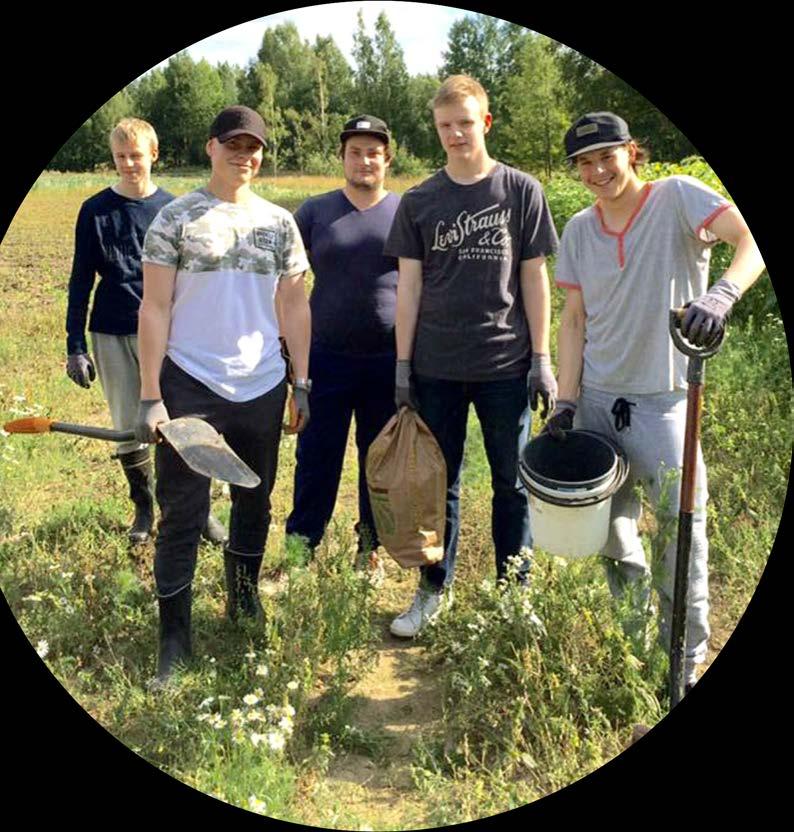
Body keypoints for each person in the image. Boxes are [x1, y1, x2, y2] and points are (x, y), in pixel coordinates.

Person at [546, 112, 766, 691]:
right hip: (596, 399)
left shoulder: (677, 198)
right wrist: (565, 401)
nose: (597, 171)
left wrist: (721, 294)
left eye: (606, 157)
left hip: (666, 401)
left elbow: (750, 242)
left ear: (631, 151)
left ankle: (685, 661)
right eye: (584, 163)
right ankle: (635, 642)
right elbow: (573, 319)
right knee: (612, 531)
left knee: (680, 532)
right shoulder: (577, 231)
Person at [136, 105, 311, 682]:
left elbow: (292, 306)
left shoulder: (280, 224)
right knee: (183, 513)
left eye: (254, 146)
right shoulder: (175, 219)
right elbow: (155, 307)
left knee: (254, 502)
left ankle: (242, 597)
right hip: (191, 384)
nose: (245, 155)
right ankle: (174, 640)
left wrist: (299, 382)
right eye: (233, 144)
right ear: (211, 147)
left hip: (261, 386)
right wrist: (150, 395)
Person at [383, 75, 559, 638]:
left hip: (506, 366)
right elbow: (408, 288)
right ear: (436, 131)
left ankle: (516, 594)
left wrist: (542, 358)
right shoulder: (419, 201)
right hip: (435, 367)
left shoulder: (520, 190)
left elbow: (535, 279)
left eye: (465, 122)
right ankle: (434, 590)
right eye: (444, 126)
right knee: (440, 485)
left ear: (485, 122)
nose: (455, 134)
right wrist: (403, 367)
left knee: (512, 485)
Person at [64, 117, 226, 547]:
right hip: (113, 332)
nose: (129, 164)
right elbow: (81, 281)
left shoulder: (174, 210)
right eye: (120, 157)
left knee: (186, 423)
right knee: (130, 425)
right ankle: (143, 506)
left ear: (153, 154)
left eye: (136, 156)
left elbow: (196, 280)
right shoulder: (95, 211)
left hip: (173, 333)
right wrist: (75, 346)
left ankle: (201, 513)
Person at [284, 115, 400, 573]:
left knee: (380, 461)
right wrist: (291, 359)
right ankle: (299, 553)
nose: (364, 160)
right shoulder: (314, 212)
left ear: (387, 159)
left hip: (387, 360)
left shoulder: (404, 212)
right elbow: (287, 284)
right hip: (324, 358)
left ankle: (368, 549)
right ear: (343, 157)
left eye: (373, 152)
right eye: (355, 151)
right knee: (315, 458)